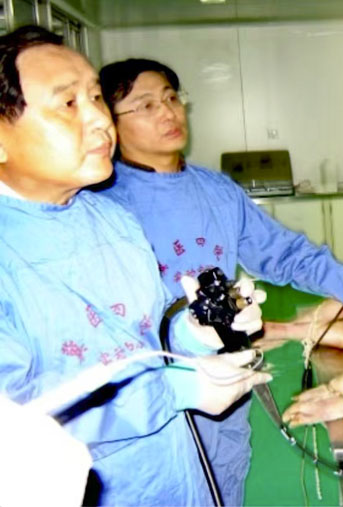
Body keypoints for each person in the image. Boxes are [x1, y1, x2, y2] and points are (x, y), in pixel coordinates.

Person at [96, 58, 343, 505]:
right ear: (110, 123)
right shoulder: (102, 205)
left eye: (172, 98)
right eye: (146, 105)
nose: (168, 112)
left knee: (224, 482)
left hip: (227, 386)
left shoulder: (216, 192)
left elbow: (286, 254)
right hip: (154, 398)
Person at [0, 25, 269, 505]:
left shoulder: (111, 219)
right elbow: (19, 417)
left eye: (96, 98)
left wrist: (199, 331)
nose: (99, 120)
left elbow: (148, 337)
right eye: (68, 104)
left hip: (179, 477)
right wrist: (175, 391)